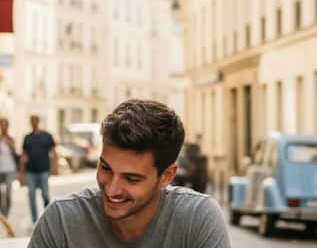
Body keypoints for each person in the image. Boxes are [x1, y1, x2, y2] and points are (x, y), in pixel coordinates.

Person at [28, 99, 231, 248]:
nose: (112, 189)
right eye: (106, 168)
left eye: (131, 178)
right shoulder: (61, 220)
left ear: (167, 176)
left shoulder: (198, 218)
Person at [19, 115, 56, 224]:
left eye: (35, 121)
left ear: (38, 121)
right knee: (31, 196)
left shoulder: (47, 136)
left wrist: (54, 167)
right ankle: (35, 220)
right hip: (30, 172)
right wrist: (21, 173)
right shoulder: (27, 137)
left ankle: (47, 218)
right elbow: (23, 155)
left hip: (44, 170)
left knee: (45, 194)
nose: (33, 123)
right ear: (30, 122)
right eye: (32, 121)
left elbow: (54, 152)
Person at [0, 118, 18, 217]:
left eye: (5, 125)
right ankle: (2, 213)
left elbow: (15, 154)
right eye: (2, 125)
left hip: (10, 169)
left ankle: (6, 214)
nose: (3, 127)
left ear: (8, 126)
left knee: (8, 193)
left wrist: (10, 146)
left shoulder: (11, 139)